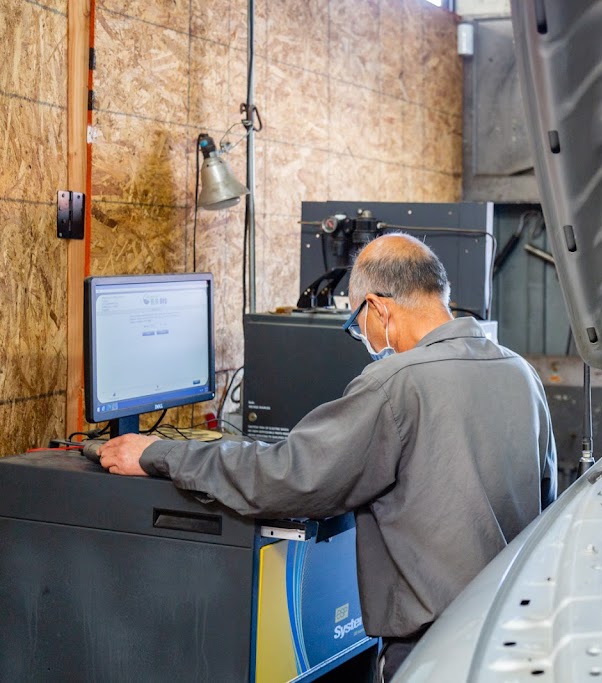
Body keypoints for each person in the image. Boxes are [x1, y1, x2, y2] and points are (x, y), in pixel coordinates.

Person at [99, 233, 558, 679]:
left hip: (435, 649)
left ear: (378, 308)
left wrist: (161, 455)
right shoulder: (522, 374)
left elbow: (285, 477)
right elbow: (545, 505)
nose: (364, 337)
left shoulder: (396, 384)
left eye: (358, 326)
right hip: (507, 635)